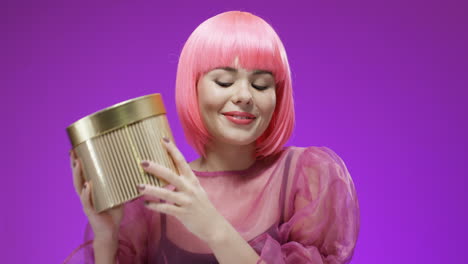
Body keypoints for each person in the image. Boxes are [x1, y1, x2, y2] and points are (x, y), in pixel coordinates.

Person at [64, 11, 360, 264]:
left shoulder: (306, 175)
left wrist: (211, 225)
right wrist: (105, 235)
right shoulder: (157, 198)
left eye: (260, 84)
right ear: (192, 88)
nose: (244, 96)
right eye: (224, 81)